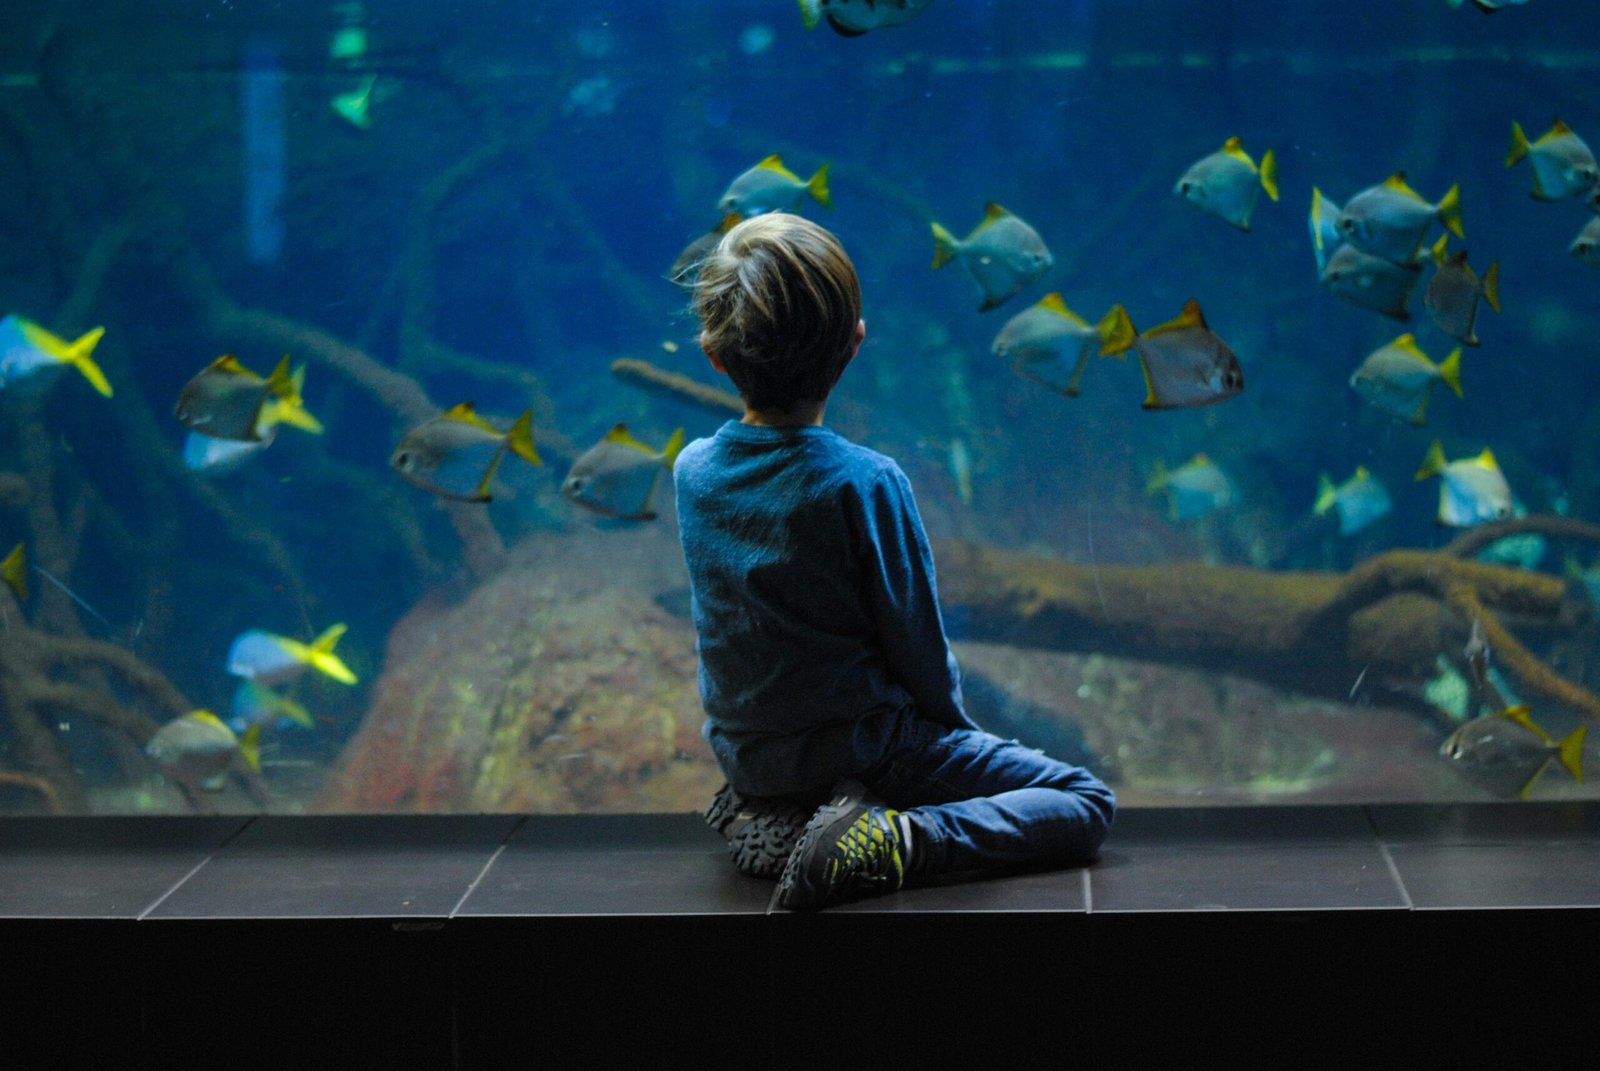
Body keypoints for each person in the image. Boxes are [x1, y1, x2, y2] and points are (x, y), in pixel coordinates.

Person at [674, 212, 1115, 911]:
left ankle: (779, 813)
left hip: (750, 757)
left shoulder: (691, 471)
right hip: (867, 748)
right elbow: (916, 642)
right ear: (854, 345)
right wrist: (955, 734)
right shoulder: (864, 481)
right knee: (1082, 799)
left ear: (714, 354)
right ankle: (898, 839)